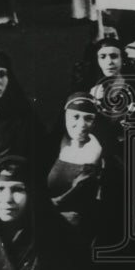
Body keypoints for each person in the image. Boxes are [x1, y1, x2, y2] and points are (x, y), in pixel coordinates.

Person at [47, 94, 104, 239]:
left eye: (88, 118)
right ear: (65, 117)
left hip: (73, 226)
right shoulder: (54, 144)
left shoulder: (95, 151)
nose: (81, 124)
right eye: (75, 117)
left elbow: (80, 194)